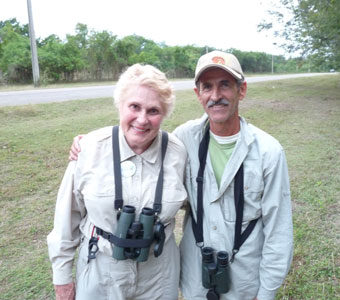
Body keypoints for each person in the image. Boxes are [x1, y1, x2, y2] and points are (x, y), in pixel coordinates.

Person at [70, 51, 293, 300]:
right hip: (194, 282)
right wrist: (87, 143)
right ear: (198, 94)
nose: (216, 95)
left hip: (245, 282)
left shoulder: (269, 152)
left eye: (225, 85)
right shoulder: (183, 139)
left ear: (241, 90)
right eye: (207, 87)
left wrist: (266, 293)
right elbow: (143, 142)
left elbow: (279, 230)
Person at [47, 64, 187, 300]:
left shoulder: (178, 153)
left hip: (159, 273)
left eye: (153, 110)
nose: (142, 119)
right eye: (134, 106)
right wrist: (62, 278)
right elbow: (65, 219)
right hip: (100, 269)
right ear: (120, 105)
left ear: (164, 114)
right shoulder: (90, 149)